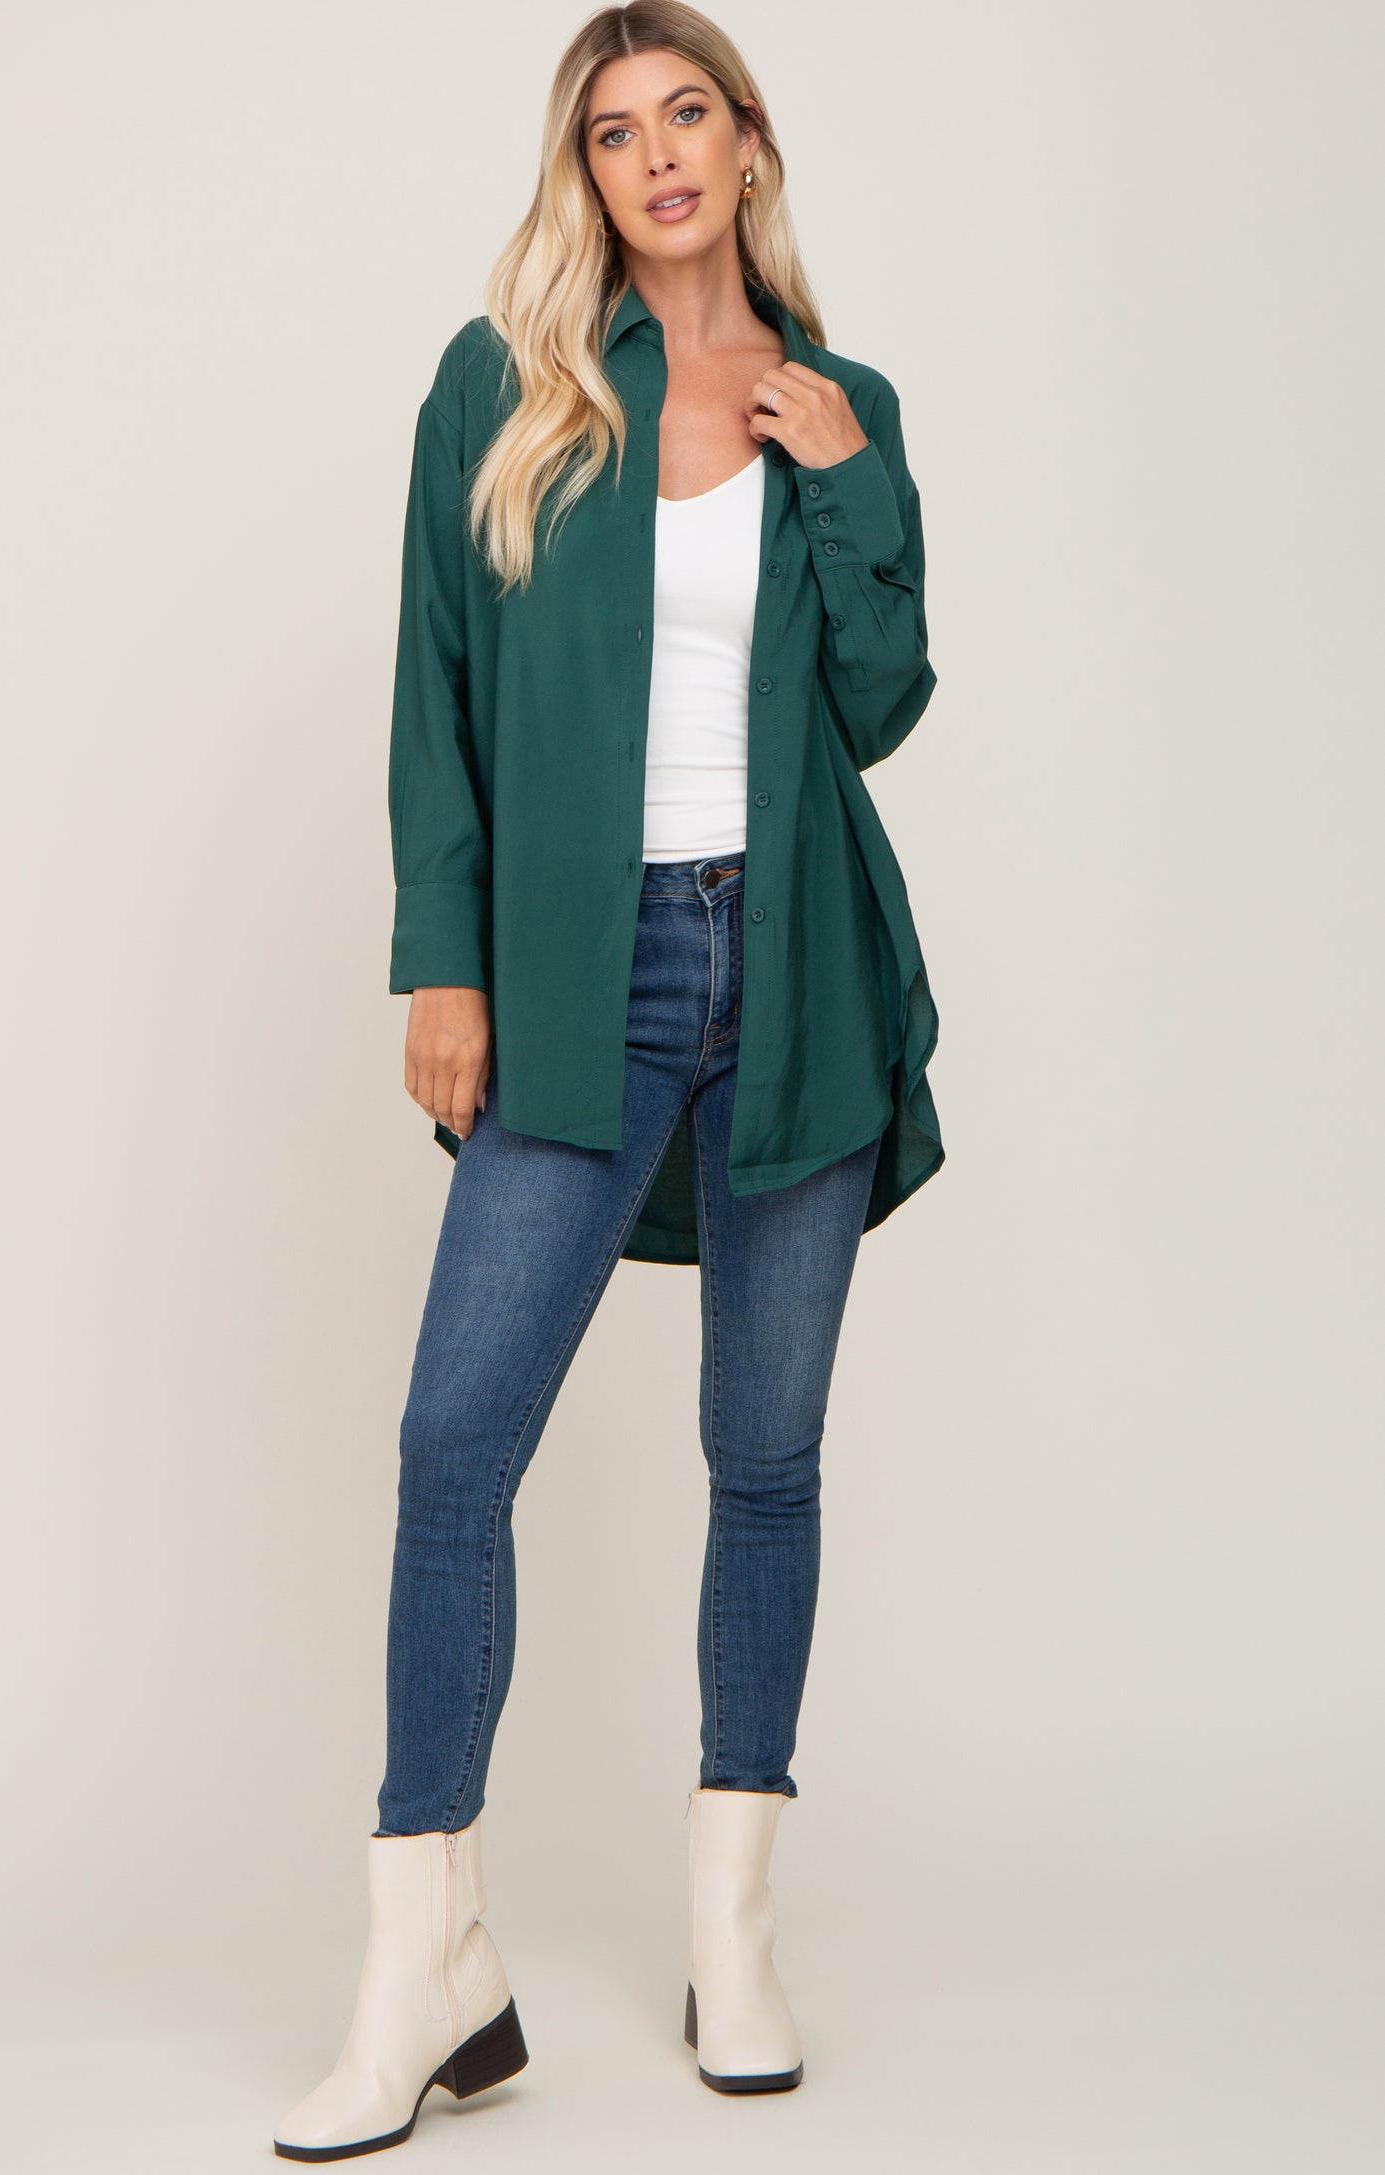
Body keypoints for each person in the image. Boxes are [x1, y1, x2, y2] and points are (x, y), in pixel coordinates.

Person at [273, 1, 943, 2158]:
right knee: (452, 1444)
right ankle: (425, 1957)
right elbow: (432, 683)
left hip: (798, 970)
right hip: (582, 975)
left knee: (766, 1454)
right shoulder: (506, 387)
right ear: (582, 171)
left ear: (747, 143)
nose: (654, 156)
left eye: (686, 115)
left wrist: (841, 477)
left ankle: (732, 1928)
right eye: (611, 130)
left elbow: (879, 701)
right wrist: (440, 956)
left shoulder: (841, 401)